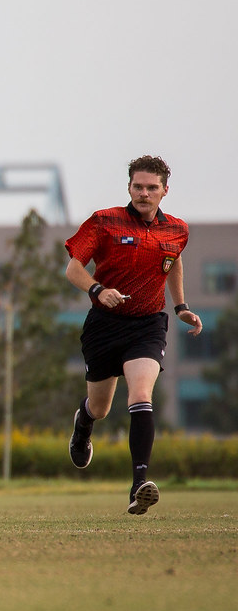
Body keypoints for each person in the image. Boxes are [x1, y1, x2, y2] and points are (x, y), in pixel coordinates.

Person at [64, 155, 202, 515]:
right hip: (104, 326)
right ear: (129, 187)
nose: (144, 193)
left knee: (141, 394)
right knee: (101, 407)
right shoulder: (104, 221)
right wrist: (97, 290)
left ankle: (139, 484)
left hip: (147, 324)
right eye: (138, 186)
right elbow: (73, 267)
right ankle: (84, 423)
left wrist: (181, 306)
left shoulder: (177, 230)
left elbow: (173, 261)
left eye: (152, 187)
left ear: (164, 191)